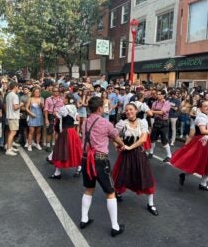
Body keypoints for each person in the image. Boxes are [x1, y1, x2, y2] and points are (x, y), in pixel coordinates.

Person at [80, 97, 126, 237]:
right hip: (100, 160)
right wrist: (122, 144)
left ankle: (84, 219)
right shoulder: (105, 123)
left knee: (89, 189)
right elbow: (116, 137)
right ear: (100, 108)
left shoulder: (85, 122)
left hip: (86, 158)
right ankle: (115, 226)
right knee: (110, 192)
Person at [112, 103, 158, 216]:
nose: (129, 112)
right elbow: (114, 136)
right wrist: (117, 145)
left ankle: (150, 204)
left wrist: (130, 147)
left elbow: (143, 139)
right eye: (126, 110)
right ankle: (117, 193)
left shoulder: (142, 122)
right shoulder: (122, 124)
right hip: (126, 155)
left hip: (139, 154)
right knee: (122, 176)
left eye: (131, 109)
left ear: (136, 110)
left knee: (146, 178)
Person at [171, 100, 208, 191]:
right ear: (200, 108)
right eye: (205, 106)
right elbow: (203, 131)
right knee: (199, 162)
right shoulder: (200, 117)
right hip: (202, 142)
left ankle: (202, 183)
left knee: (207, 163)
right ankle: (187, 176)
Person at [49, 93, 82, 178]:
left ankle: (57, 172)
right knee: (74, 149)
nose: (62, 99)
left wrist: (55, 112)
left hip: (65, 131)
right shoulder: (73, 107)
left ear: (67, 99)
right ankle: (79, 167)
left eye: (63, 98)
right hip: (72, 131)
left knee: (61, 150)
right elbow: (77, 119)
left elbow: (59, 117)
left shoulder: (64, 108)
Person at [149, 90, 172, 162]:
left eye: (159, 94)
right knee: (152, 139)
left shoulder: (167, 103)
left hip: (164, 123)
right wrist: (151, 112)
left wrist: (152, 111)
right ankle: (151, 152)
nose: (158, 95)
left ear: (163, 95)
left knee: (164, 141)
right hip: (156, 122)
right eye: (157, 94)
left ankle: (169, 155)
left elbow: (162, 112)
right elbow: (151, 113)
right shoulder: (154, 103)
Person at [5, 82, 23, 156]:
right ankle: (8, 149)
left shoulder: (8, 94)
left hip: (11, 115)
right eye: (18, 87)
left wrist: (18, 113)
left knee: (11, 132)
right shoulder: (14, 95)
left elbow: (9, 107)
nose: (18, 88)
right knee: (13, 133)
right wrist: (21, 105)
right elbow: (15, 107)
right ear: (15, 86)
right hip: (13, 117)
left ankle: (10, 146)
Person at [44, 87, 64, 151]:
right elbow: (46, 109)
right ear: (52, 92)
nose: (56, 92)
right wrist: (46, 119)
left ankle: (56, 145)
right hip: (50, 115)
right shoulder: (48, 99)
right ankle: (48, 146)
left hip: (58, 116)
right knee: (49, 131)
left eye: (57, 91)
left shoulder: (61, 100)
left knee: (58, 131)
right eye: (55, 91)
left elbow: (63, 109)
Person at [26, 87, 44, 151]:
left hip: (39, 116)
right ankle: (29, 145)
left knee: (38, 132)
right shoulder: (30, 99)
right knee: (31, 132)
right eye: (36, 92)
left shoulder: (41, 99)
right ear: (33, 92)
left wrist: (42, 105)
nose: (37, 93)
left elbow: (43, 108)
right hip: (32, 116)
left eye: (38, 92)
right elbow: (26, 108)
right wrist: (31, 114)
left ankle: (37, 144)